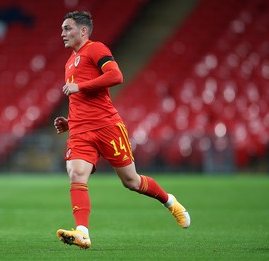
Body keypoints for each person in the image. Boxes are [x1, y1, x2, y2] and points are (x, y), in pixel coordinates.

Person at [55, 11, 190, 250]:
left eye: (68, 28)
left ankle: (170, 201)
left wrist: (80, 86)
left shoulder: (96, 49)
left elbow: (116, 76)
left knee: (131, 181)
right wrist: (69, 120)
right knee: (76, 173)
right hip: (80, 130)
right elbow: (82, 99)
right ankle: (82, 232)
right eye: (63, 29)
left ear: (83, 31)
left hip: (107, 126)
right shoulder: (69, 61)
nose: (63, 33)